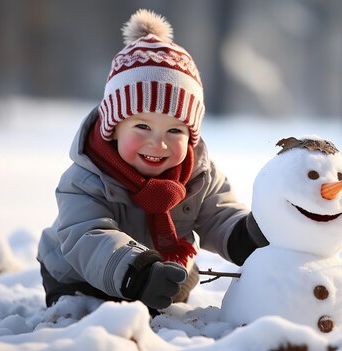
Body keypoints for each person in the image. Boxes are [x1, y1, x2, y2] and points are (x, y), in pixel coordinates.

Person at [37, 9, 267, 314]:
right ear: (114, 127)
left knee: (176, 290)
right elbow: (87, 234)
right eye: (142, 127)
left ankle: (156, 289)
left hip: (162, 276)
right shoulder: (86, 177)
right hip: (77, 275)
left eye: (174, 130)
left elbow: (219, 215)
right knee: (80, 310)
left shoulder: (199, 175)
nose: (158, 143)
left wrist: (247, 234)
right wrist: (139, 271)